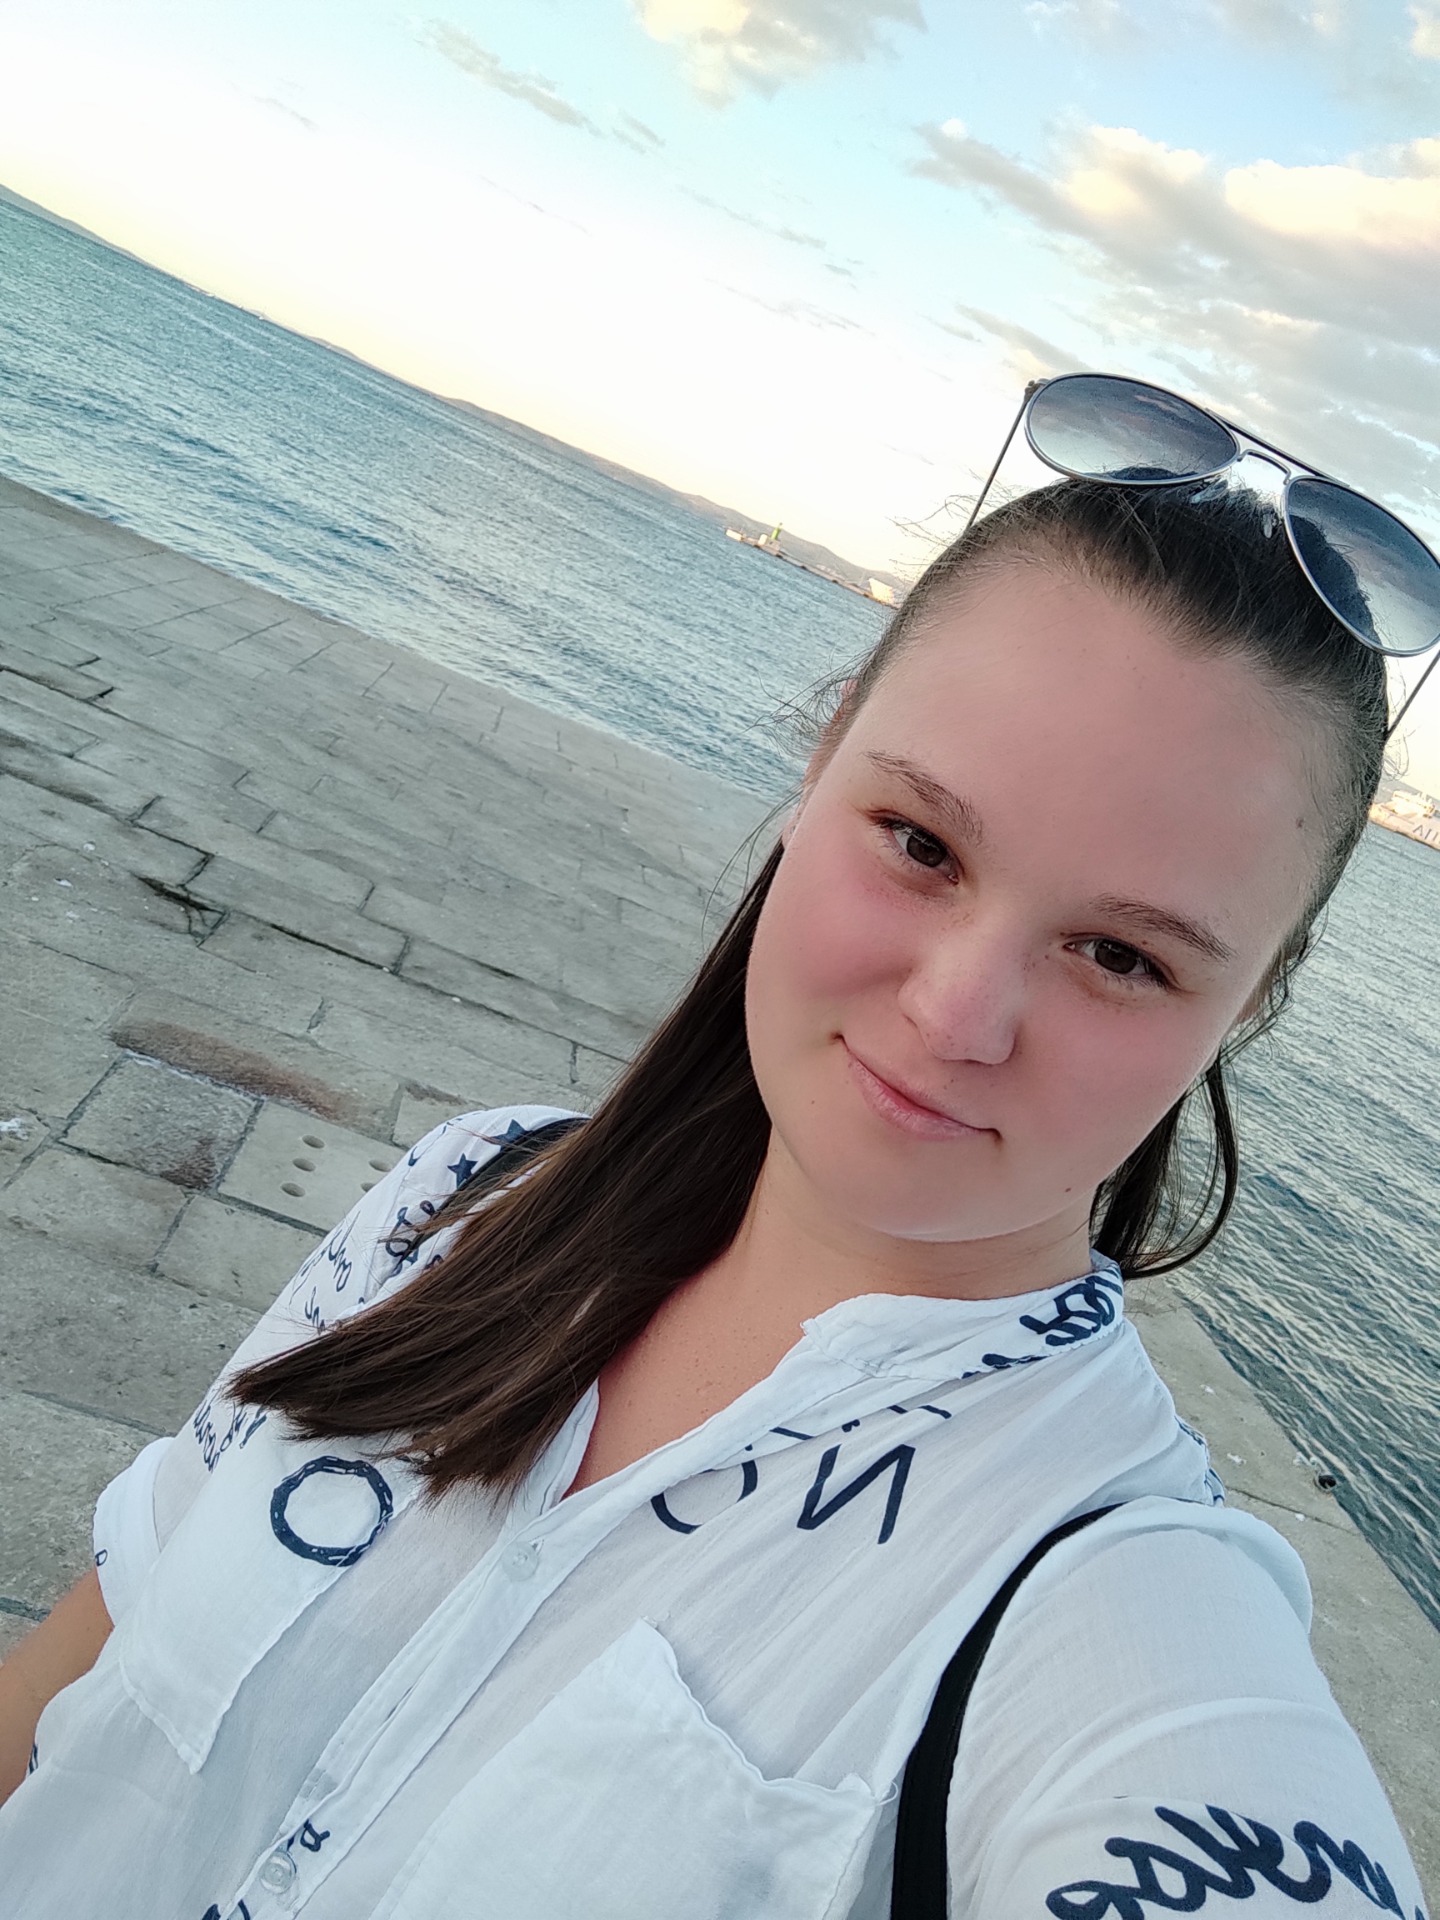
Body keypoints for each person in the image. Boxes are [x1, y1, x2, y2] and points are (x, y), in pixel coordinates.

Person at [0, 437, 1430, 1919]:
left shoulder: (1114, 1593)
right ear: (820, 760)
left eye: (1121, 956)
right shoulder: (470, 1195)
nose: (956, 1014)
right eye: (921, 842)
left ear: (1248, 1005)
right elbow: (85, 1665)